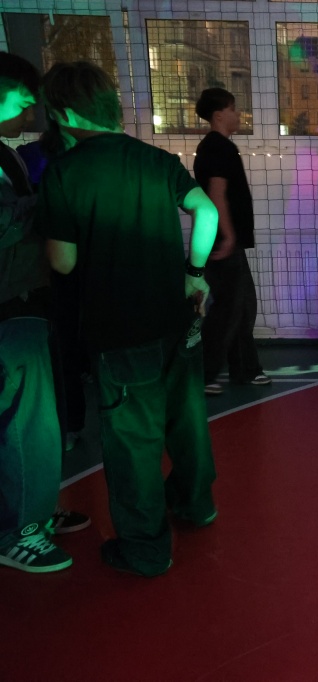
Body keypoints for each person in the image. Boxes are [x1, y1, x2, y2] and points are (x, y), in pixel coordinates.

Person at [39, 60, 220, 577]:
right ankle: (195, 504)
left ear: (65, 112)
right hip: (174, 319)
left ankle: (145, 549)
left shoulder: (64, 173)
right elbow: (207, 212)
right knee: (186, 420)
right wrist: (194, 273)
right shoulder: (156, 159)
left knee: (132, 439)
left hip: (117, 328)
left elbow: (63, 262)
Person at [0, 52, 87, 574]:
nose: (30, 108)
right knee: (27, 422)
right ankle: (20, 528)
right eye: (22, 97)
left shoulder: (9, 155)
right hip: (9, 308)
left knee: (29, 418)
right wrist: (56, 198)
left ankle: (28, 506)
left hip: (27, 300)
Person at [193, 88, 270, 396]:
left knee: (241, 306)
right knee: (229, 309)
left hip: (224, 240)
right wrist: (226, 235)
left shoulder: (217, 147)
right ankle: (206, 373)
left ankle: (246, 369)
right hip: (224, 241)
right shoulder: (218, 148)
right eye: (233, 108)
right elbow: (217, 195)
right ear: (218, 115)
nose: (238, 114)